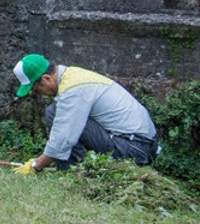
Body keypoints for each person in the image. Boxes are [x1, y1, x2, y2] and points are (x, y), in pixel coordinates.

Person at [10, 54, 158, 174]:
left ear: (46, 78)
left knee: (54, 113)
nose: (40, 94)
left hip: (133, 147)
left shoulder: (73, 89)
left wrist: (36, 165)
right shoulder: (74, 76)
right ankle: (77, 169)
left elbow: (63, 138)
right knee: (56, 111)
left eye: (36, 89)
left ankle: (73, 172)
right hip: (140, 144)